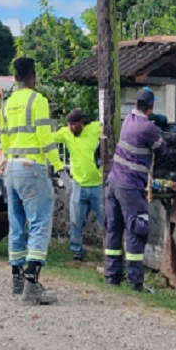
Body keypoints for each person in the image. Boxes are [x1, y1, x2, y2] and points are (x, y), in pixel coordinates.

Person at [0, 57, 63, 305]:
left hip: (11, 168)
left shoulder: (6, 104)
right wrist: (59, 166)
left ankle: (17, 280)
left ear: (15, 77)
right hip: (32, 168)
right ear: (33, 75)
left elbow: (5, 139)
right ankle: (32, 286)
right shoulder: (38, 101)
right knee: (39, 223)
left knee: (16, 223)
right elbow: (45, 137)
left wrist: (7, 160)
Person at [104, 88, 167, 291]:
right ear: (151, 107)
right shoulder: (147, 128)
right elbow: (162, 149)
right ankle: (135, 281)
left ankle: (112, 276)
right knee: (136, 231)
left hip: (113, 182)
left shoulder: (128, 120)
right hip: (130, 186)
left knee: (114, 229)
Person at [52, 109, 102, 261]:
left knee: (106, 220)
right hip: (78, 184)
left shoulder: (95, 128)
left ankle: (112, 251)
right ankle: (77, 252)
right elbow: (47, 139)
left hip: (98, 185)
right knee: (75, 221)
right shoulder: (66, 133)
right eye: (69, 125)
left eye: (74, 124)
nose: (71, 128)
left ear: (82, 122)